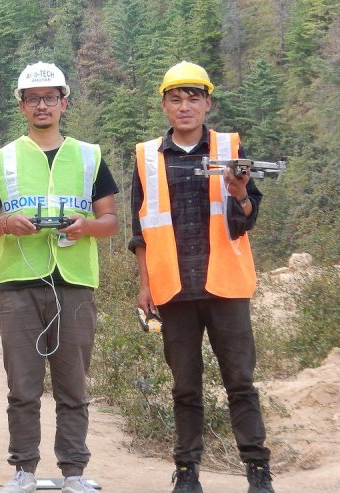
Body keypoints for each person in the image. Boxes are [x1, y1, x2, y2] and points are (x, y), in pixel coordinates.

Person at [0, 62, 119, 493]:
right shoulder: (3, 158)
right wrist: (6, 224)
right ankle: (24, 470)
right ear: (22, 105)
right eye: (34, 98)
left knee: (73, 384)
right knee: (23, 385)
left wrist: (86, 225)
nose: (42, 105)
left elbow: (110, 219)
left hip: (74, 282)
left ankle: (74, 471)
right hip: (19, 284)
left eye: (50, 97)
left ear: (64, 103)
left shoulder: (89, 155)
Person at [129, 60, 274, 493]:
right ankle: (187, 471)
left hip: (225, 286)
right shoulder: (147, 157)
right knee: (185, 386)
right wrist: (145, 284)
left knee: (241, 383)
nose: (185, 106)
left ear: (207, 102)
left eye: (193, 97)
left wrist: (240, 193)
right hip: (174, 288)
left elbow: (247, 218)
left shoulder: (231, 148)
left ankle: (258, 470)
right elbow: (140, 229)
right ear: (165, 106)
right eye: (176, 98)